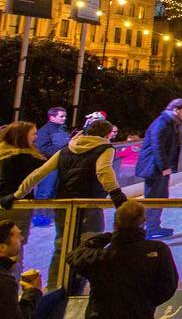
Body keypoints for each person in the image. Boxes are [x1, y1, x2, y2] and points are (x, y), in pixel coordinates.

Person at [2, 119, 127, 292]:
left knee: (62, 245)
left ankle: (55, 287)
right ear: (107, 135)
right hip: (89, 204)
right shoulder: (105, 148)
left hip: (64, 203)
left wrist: (16, 195)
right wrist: (116, 194)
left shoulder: (67, 148)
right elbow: (103, 170)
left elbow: (39, 173)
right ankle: (83, 289)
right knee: (90, 246)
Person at [68, 200, 178, 318]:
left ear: (116, 225)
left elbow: (74, 256)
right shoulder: (159, 250)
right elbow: (168, 285)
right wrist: (146, 302)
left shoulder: (100, 257)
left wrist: (106, 237)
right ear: (143, 223)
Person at [136, 98, 182, 240]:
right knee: (152, 199)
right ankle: (142, 230)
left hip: (159, 167)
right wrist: (164, 167)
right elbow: (157, 146)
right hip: (153, 167)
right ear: (176, 110)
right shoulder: (162, 123)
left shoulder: (172, 123)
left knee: (160, 197)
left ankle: (153, 227)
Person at [0, 122, 45, 280]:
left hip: (7, 203)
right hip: (14, 206)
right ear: (22, 137)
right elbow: (47, 168)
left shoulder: (3, 153)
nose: (36, 137)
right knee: (14, 249)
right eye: (33, 134)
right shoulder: (24, 158)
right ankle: (10, 286)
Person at [33, 107, 70, 228]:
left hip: (61, 164)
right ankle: (39, 216)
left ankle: (50, 215)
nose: (64, 118)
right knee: (45, 191)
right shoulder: (44, 131)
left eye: (65, 116)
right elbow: (42, 148)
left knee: (55, 191)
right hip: (49, 166)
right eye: (61, 116)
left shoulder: (63, 129)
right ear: (52, 117)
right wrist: (62, 151)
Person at [0, 220, 40, 318]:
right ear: (2, 247)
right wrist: (32, 290)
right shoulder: (5, 282)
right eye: (18, 236)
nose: (22, 238)